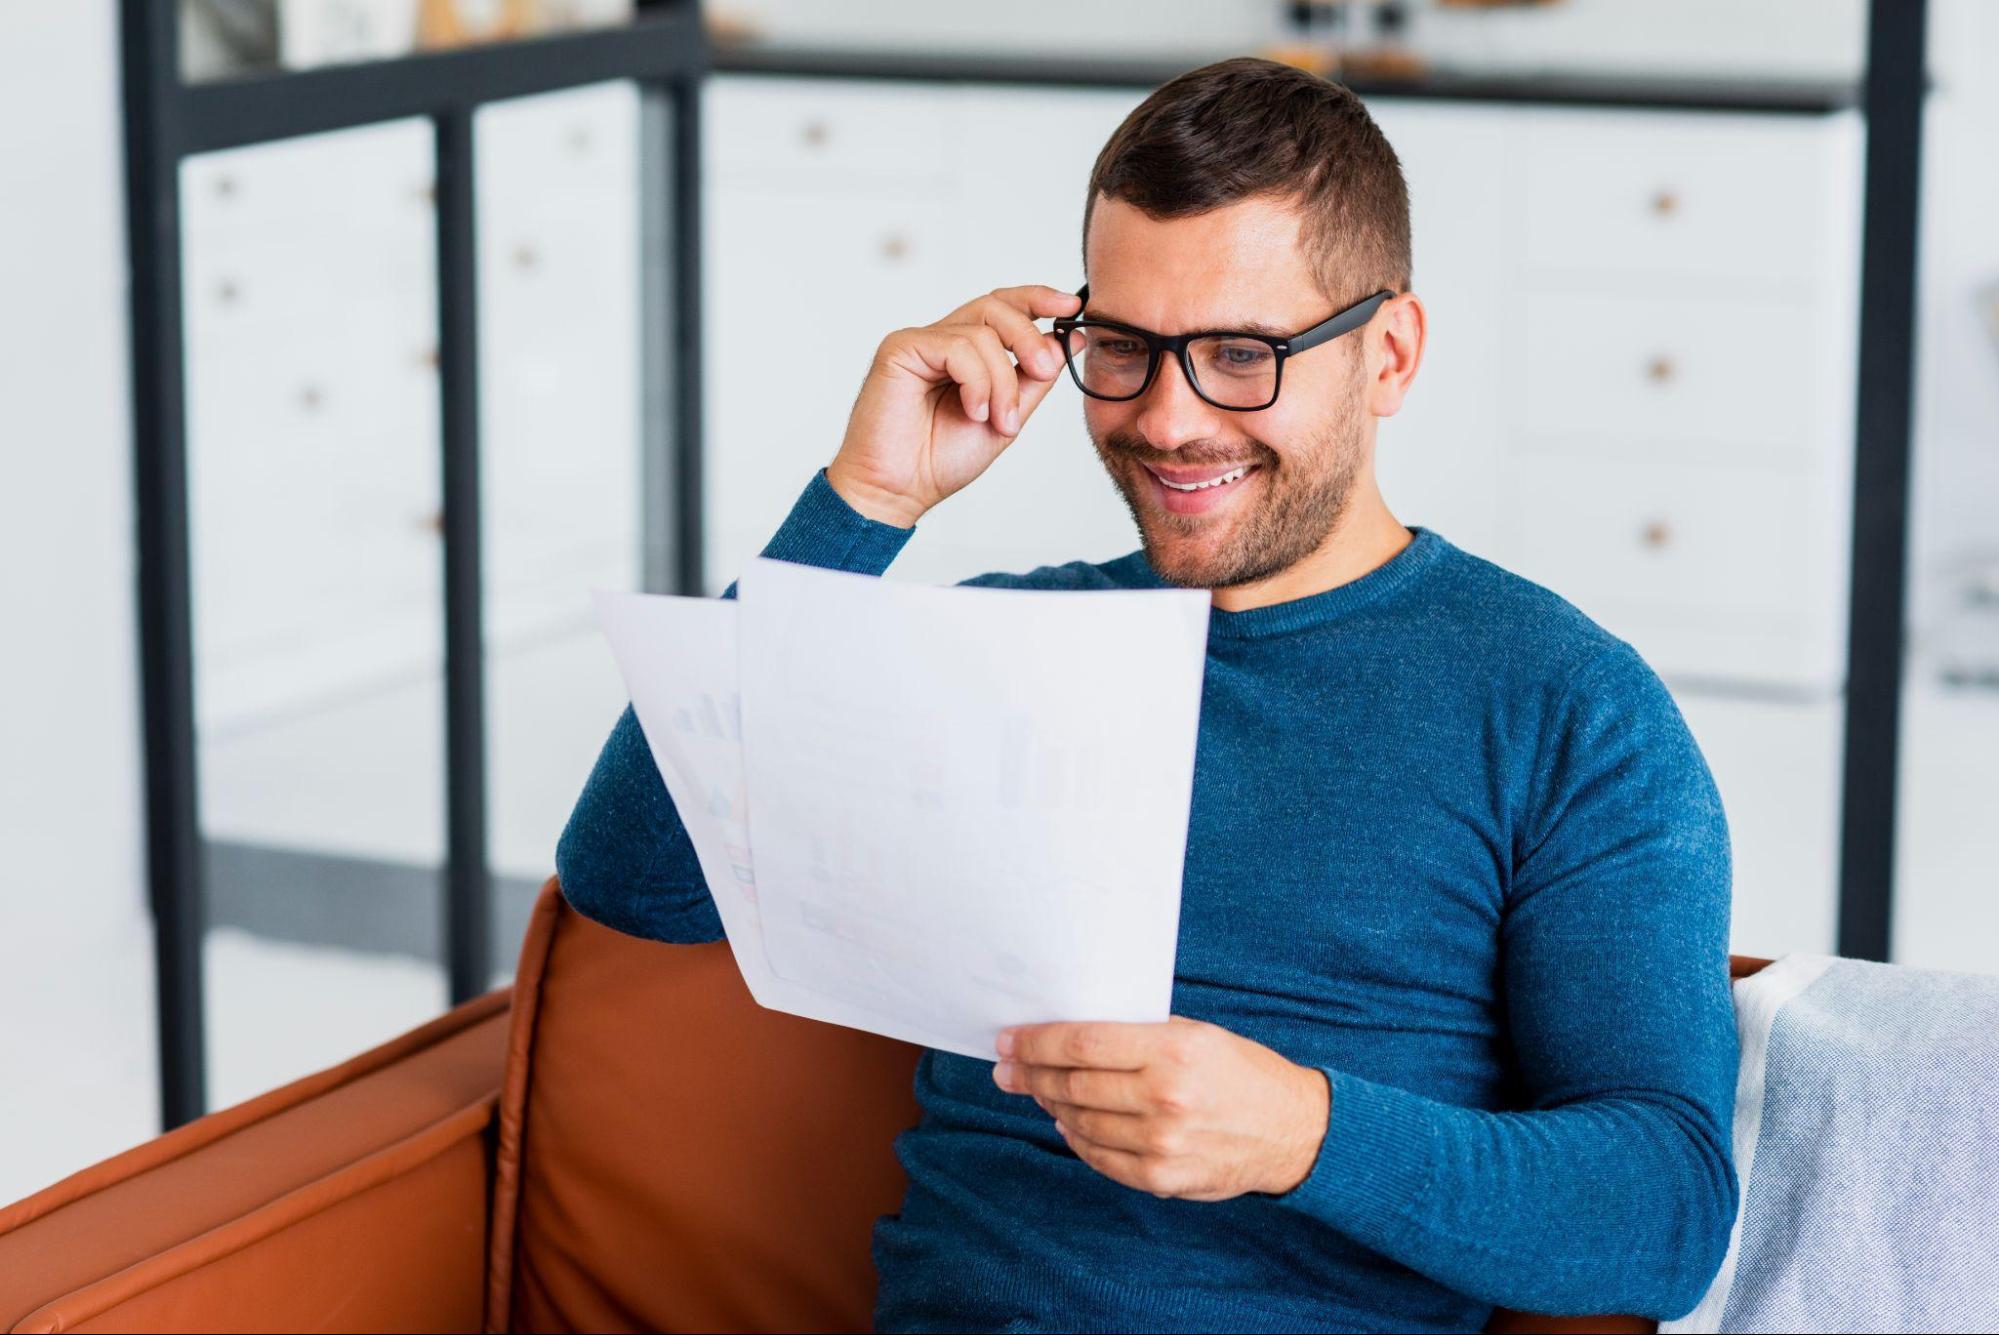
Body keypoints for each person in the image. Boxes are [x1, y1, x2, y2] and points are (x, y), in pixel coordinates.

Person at [554, 56, 1740, 1334]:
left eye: (1241, 354)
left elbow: (1664, 1213)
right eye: (1121, 348)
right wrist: (864, 504)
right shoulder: (998, 643)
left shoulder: (1568, 709)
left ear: (1387, 353)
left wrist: (1299, 1133)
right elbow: (634, 881)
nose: (1169, 420)